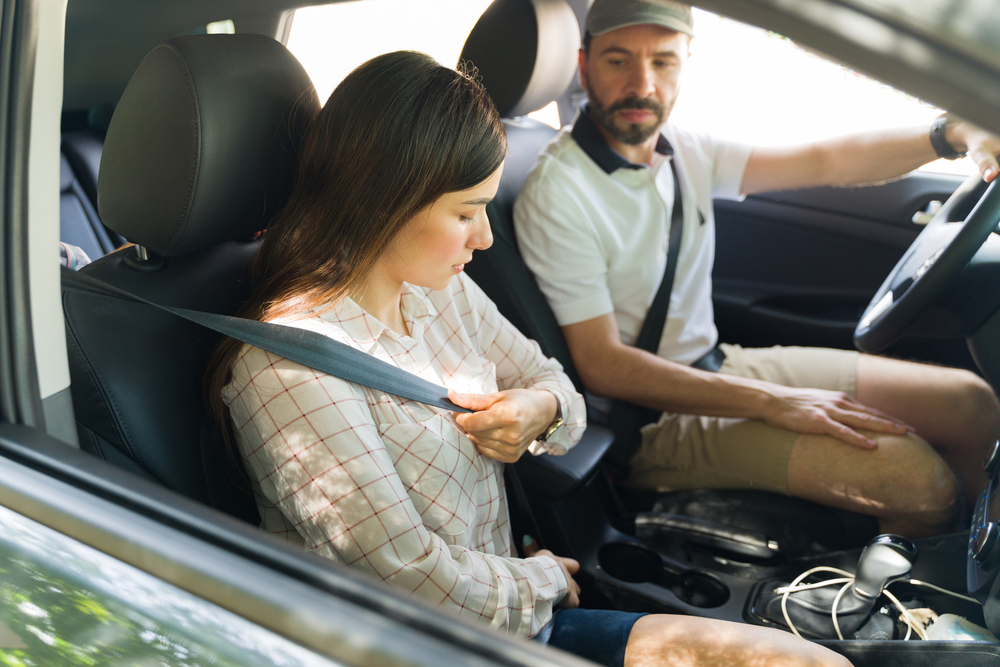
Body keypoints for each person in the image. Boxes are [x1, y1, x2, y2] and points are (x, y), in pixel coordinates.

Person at [205, 50, 852, 667]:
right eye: (467, 213)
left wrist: (537, 411)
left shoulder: (441, 290)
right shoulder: (290, 371)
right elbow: (408, 579)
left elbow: (558, 391)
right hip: (441, 642)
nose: (484, 237)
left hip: (517, 616)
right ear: (384, 202)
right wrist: (541, 578)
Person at [514, 0, 1000, 539]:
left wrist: (949, 134)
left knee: (970, 403)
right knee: (917, 482)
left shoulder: (684, 150)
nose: (642, 84)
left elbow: (826, 161)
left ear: (686, 65)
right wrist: (777, 403)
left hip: (720, 365)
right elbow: (603, 365)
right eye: (618, 61)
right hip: (650, 421)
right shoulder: (558, 191)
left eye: (664, 62)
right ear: (583, 67)